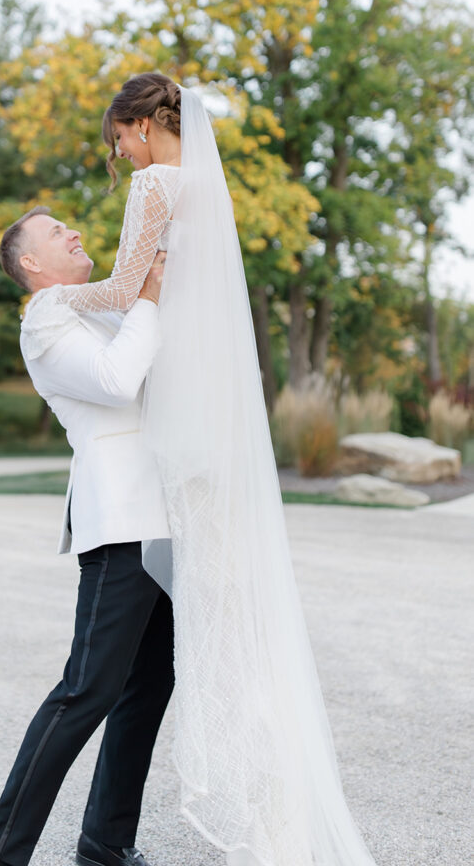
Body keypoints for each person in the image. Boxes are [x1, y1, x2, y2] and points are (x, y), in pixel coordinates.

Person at [26, 73, 380, 866]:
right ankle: (263, 809)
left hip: (175, 421)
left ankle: (232, 814)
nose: (120, 154)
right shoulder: (207, 192)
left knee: (189, 641)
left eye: (118, 138)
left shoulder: (155, 184)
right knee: (219, 624)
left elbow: (125, 289)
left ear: (142, 124)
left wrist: (47, 302)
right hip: (205, 410)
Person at [0, 211, 173, 866]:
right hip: (120, 520)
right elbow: (115, 382)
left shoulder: (101, 307)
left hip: (163, 519)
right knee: (87, 688)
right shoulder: (45, 317)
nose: (74, 233)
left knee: (148, 684)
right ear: (30, 263)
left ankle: (105, 842)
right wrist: (148, 299)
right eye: (56, 233)